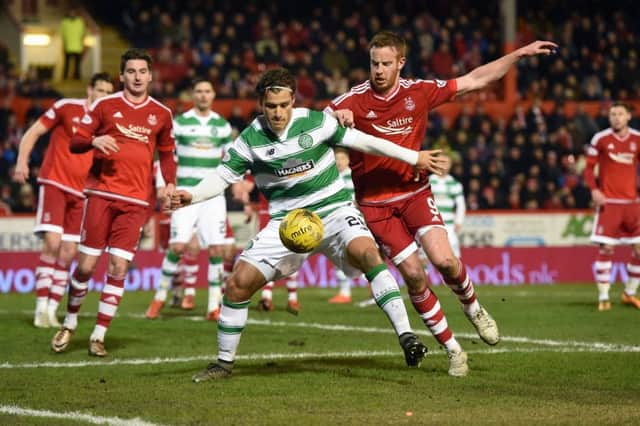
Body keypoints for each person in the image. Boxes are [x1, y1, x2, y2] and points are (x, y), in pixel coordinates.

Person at [171, 67, 451, 382]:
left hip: (333, 211)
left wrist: (414, 158)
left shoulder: (317, 122)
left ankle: (407, 337)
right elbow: (222, 176)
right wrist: (191, 195)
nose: (278, 112)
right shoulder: (251, 138)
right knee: (237, 284)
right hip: (286, 222)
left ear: (293, 101)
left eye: (284, 105)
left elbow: (366, 142)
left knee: (368, 254)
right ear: (262, 105)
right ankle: (223, 363)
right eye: (271, 106)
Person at [327, 31, 556, 365]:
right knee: (415, 275)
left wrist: (518, 54)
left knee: (446, 261)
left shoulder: (418, 92)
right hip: (376, 206)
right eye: (374, 63)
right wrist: (336, 120)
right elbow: (315, 122)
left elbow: (475, 79)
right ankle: (453, 351)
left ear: (400, 64)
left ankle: (474, 309)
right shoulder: (354, 99)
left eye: (386, 64)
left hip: (415, 193)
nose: (378, 70)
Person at [50, 48, 177, 357]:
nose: (137, 77)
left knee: (119, 266)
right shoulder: (105, 106)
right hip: (101, 194)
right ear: (122, 76)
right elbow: (76, 140)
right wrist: (94, 140)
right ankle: (69, 322)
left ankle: (99, 334)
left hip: (136, 200)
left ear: (150, 75)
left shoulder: (162, 113)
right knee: (86, 266)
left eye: (142, 72)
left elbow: (166, 154)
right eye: (131, 72)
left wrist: (170, 184)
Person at [13, 72, 114, 328]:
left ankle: (52, 309)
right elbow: (33, 132)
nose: (102, 95)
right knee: (52, 242)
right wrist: (22, 162)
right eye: (99, 90)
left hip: (82, 192)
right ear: (90, 90)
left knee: (69, 252)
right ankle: (39, 309)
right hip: (55, 182)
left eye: (107, 92)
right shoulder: (66, 107)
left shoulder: (106, 124)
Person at [145, 78, 232, 321]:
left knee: (216, 248)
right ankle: (159, 298)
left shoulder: (222, 126)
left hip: (213, 195)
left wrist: (240, 183)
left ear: (213, 95)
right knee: (177, 247)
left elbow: (231, 159)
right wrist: (163, 185)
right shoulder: (180, 124)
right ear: (192, 95)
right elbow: (165, 156)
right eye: (199, 91)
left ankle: (213, 305)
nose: (203, 95)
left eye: (207, 91)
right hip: (185, 193)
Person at [583, 102, 640, 311]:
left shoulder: (637, 139)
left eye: (620, 114)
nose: (615, 117)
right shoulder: (601, 139)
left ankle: (629, 294)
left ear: (628, 117)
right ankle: (604, 296)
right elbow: (588, 169)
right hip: (609, 202)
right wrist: (594, 190)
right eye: (612, 114)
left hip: (632, 204)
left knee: (639, 249)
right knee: (607, 247)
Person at [328, 148, 360, 304]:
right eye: (336, 158)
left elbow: (360, 198)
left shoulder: (354, 176)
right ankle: (344, 293)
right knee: (341, 255)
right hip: (337, 221)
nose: (339, 161)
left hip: (355, 221)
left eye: (342, 158)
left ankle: (378, 290)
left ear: (348, 160)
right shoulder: (332, 178)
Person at [429, 157, 466, 257]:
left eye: (447, 163)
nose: (444, 165)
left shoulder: (455, 184)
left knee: (453, 254)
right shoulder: (428, 181)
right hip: (430, 223)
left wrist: (459, 221)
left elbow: (461, 205)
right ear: (436, 163)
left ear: (450, 165)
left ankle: (457, 272)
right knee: (425, 254)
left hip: (448, 224)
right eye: (441, 162)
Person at [60, 9, 86, 80]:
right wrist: (63, 46)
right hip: (68, 46)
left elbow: (82, 34)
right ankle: (64, 77)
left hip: (77, 46)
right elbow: (63, 35)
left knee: (77, 64)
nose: (72, 14)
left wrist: (82, 45)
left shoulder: (80, 22)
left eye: (73, 12)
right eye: (71, 12)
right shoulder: (64, 22)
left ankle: (77, 77)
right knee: (66, 63)